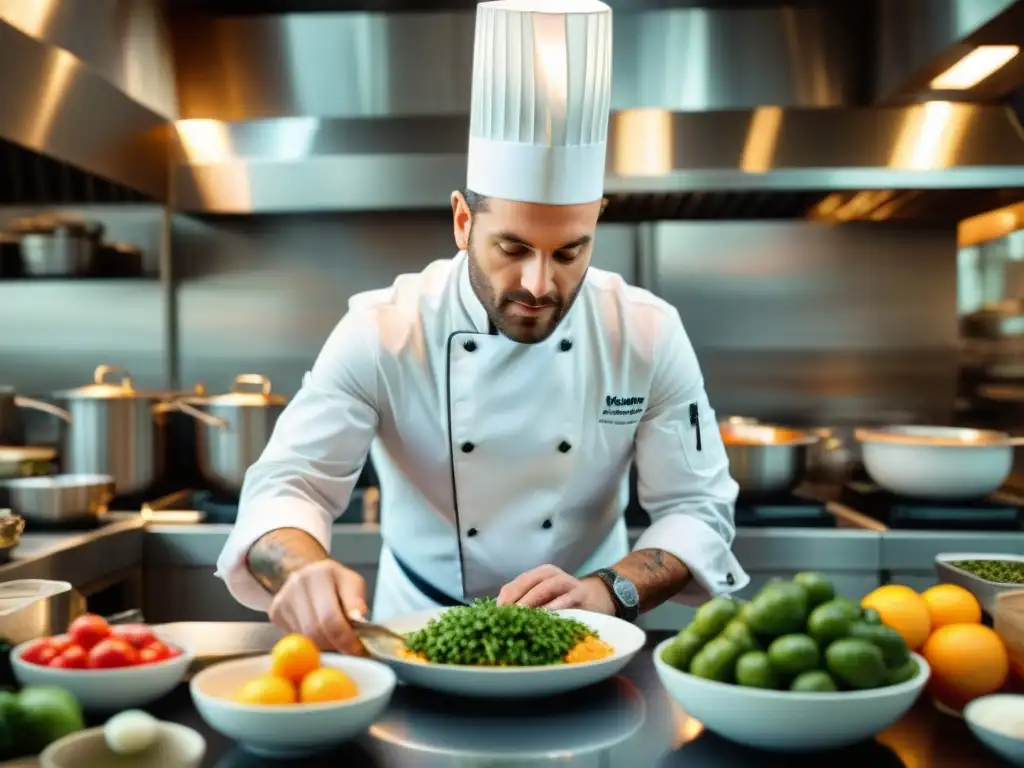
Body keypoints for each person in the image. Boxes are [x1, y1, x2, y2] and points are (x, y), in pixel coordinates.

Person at [215, 0, 749, 654]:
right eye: (513, 248)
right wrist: (301, 570)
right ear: (464, 222)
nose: (539, 284)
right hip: (413, 634)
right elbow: (289, 485)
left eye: (570, 252)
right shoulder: (384, 331)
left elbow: (697, 509)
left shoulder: (645, 334)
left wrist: (612, 590)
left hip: (590, 636)